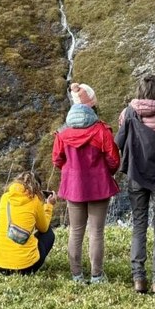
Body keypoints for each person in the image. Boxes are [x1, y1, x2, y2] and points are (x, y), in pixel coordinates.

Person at [53, 82, 120, 284]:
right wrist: (106, 171)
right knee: (96, 231)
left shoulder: (62, 134)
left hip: (73, 187)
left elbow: (57, 159)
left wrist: (69, 171)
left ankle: (76, 275)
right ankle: (97, 275)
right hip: (99, 186)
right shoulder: (101, 131)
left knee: (75, 231)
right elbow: (114, 160)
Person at [115, 74, 155, 295]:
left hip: (135, 175)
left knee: (139, 225)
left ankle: (139, 278)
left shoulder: (126, 113)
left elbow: (123, 143)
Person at [0, 171, 57, 275]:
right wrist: (49, 206)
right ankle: (30, 265)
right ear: (37, 188)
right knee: (48, 234)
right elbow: (43, 228)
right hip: (25, 267)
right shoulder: (35, 201)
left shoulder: (5, 198)